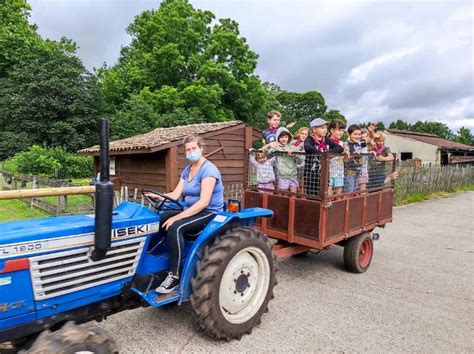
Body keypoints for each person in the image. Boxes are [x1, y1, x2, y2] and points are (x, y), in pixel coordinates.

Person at [144, 135, 224, 294]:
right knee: (158, 219)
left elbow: (204, 202)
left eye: (194, 148)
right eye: (188, 150)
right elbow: (176, 194)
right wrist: (160, 196)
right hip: (190, 208)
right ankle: (152, 261)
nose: (191, 152)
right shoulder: (187, 170)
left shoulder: (209, 170)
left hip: (209, 212)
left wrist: (178, 217)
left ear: (201, 148)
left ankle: (174, 275)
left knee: (176, 227)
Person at [303, 118, 344, 197]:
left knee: (323, 194)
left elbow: (339, 148)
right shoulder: (310, 139)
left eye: (325, 127)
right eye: (322, 128)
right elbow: (307, 147)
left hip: (324, 172)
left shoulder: (326, 140)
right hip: (311, 173)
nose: (325, 130)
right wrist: (321, 154)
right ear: (314, 129)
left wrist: (327, 154)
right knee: (311, 194)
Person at [263, 127, 302, 193]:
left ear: (289, 137)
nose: (284, 139)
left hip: (293, 175)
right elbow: (268, 153)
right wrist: (271, 146)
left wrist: (295, 155)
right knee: (283, 195)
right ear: (278, 138)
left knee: (293, 194)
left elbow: (299, 161)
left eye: (286, 137)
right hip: (282, 175)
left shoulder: (294, 148)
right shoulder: (276, 147)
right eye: (281, 137)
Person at [344, 125, 366, 193]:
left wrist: (372, 151)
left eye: (359, 134)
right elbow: (345, 160)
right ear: (348, 134)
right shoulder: (346, 144)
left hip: (358, 171)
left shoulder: (361, 143)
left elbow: (366, 150)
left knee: (354, 191)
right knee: (349, 191)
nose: (358, 136)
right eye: (355, 134)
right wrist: (353, 154)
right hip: (349, 172)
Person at [327, 120, 346, 197]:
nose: (341, 132)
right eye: (339, 130)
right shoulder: (326, 142)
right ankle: (328, 203)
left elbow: (345, 159)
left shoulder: (342, 143)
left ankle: (337, 204)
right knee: (329, 187)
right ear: (332, 130)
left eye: (342, 130)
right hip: (329, 171)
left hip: (339, 170)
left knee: (339, 188)